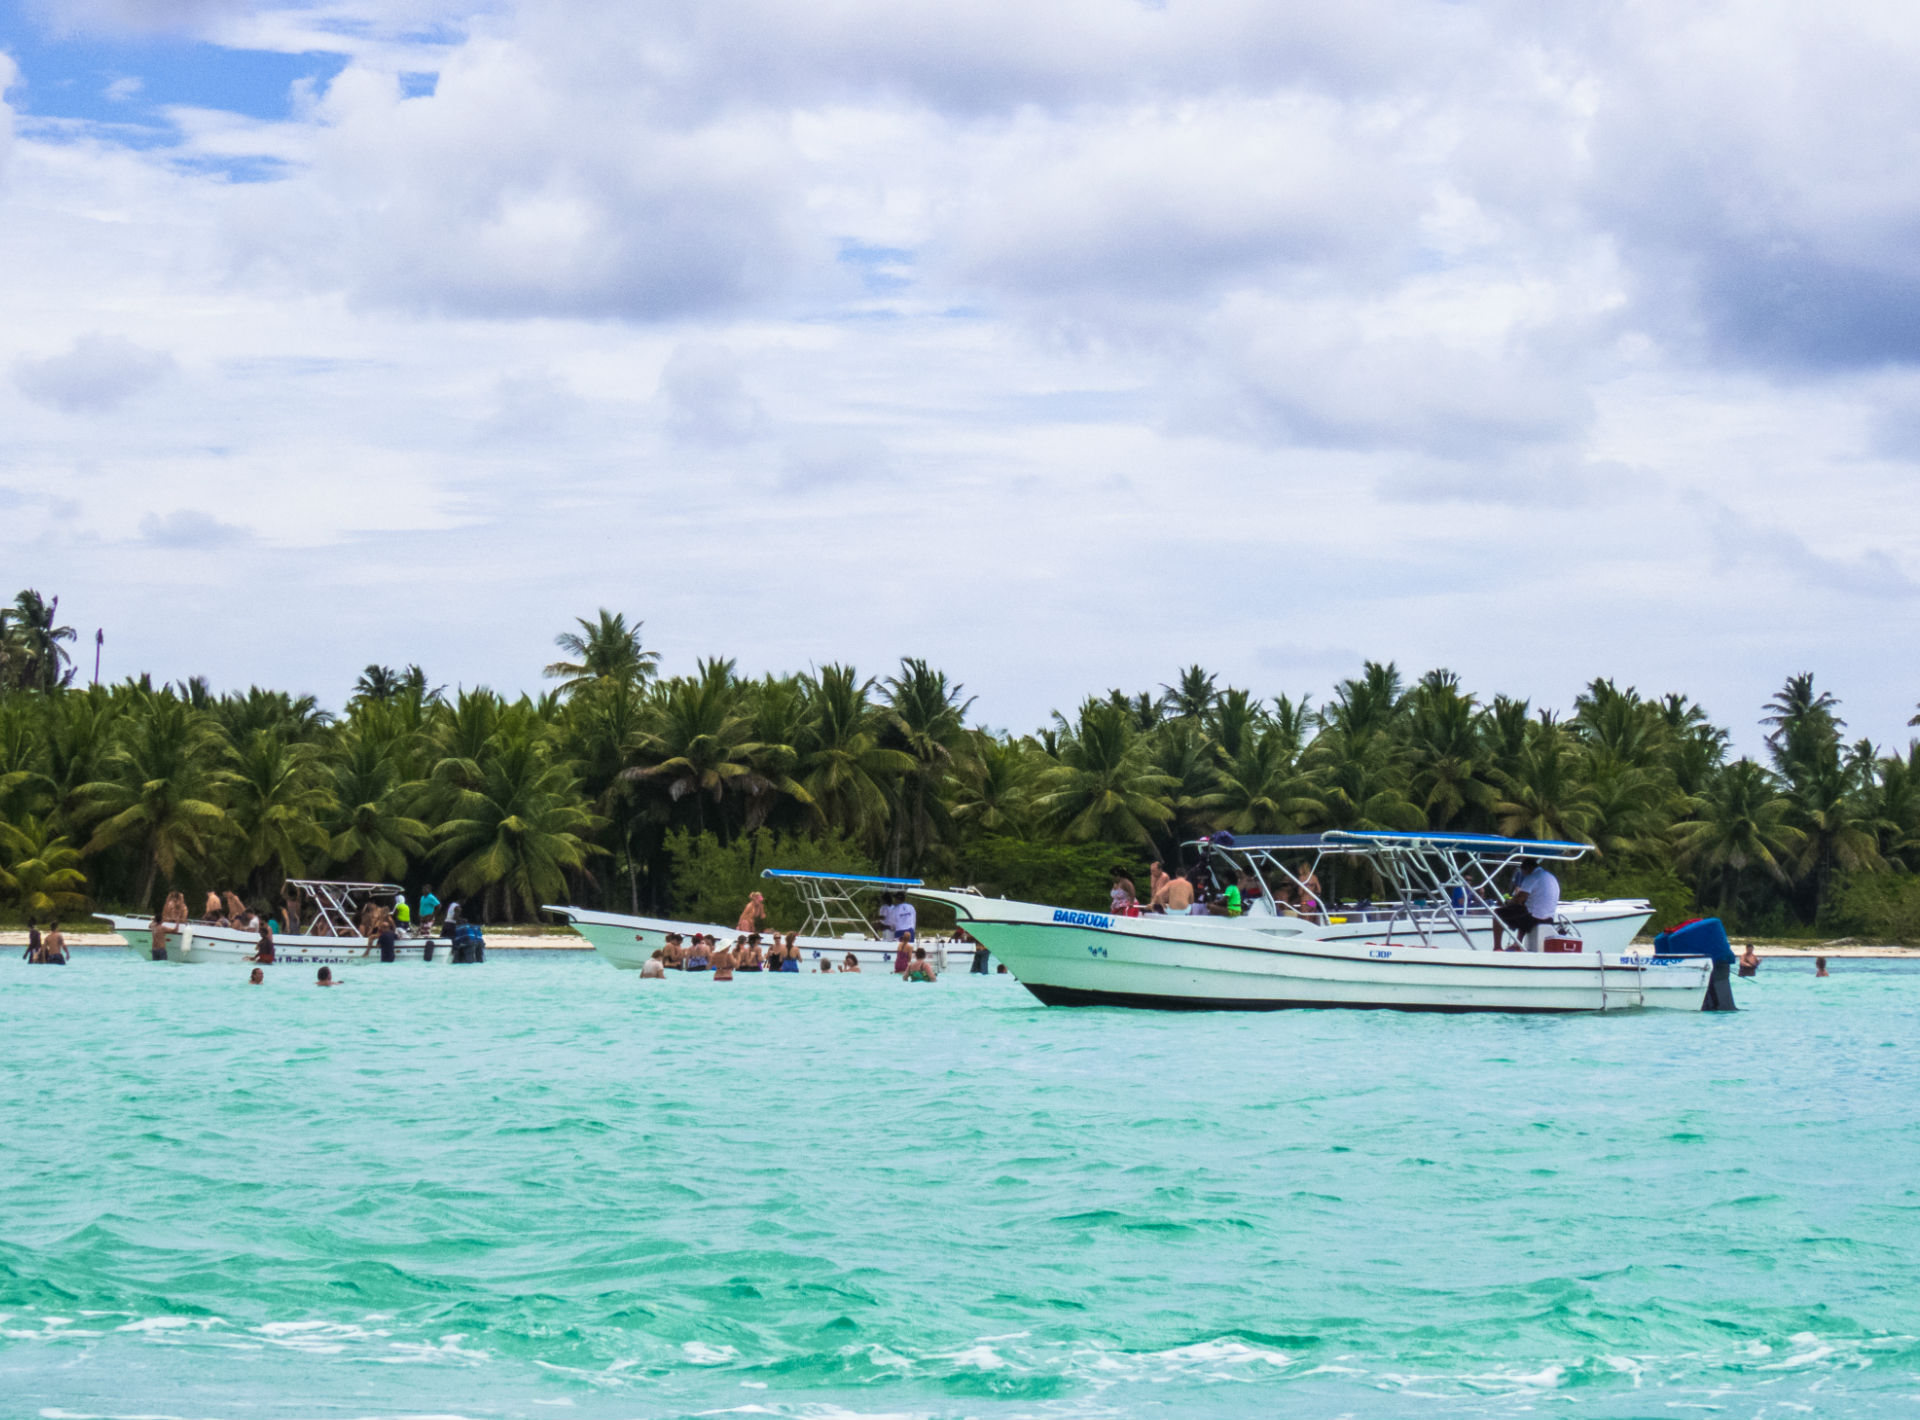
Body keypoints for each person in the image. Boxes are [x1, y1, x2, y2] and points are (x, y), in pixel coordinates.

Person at [1492, 858, 1560, 951]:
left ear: (1527, 868)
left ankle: (1497, 947)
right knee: (1523, 910)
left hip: (1535, 919)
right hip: (1549, 919)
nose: (1523, 874)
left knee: (1497, 913)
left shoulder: (1532, 877)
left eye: (1522, 871)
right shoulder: (1550, 877)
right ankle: (1517, 943)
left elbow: (1519, 900)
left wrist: (1507, 902)